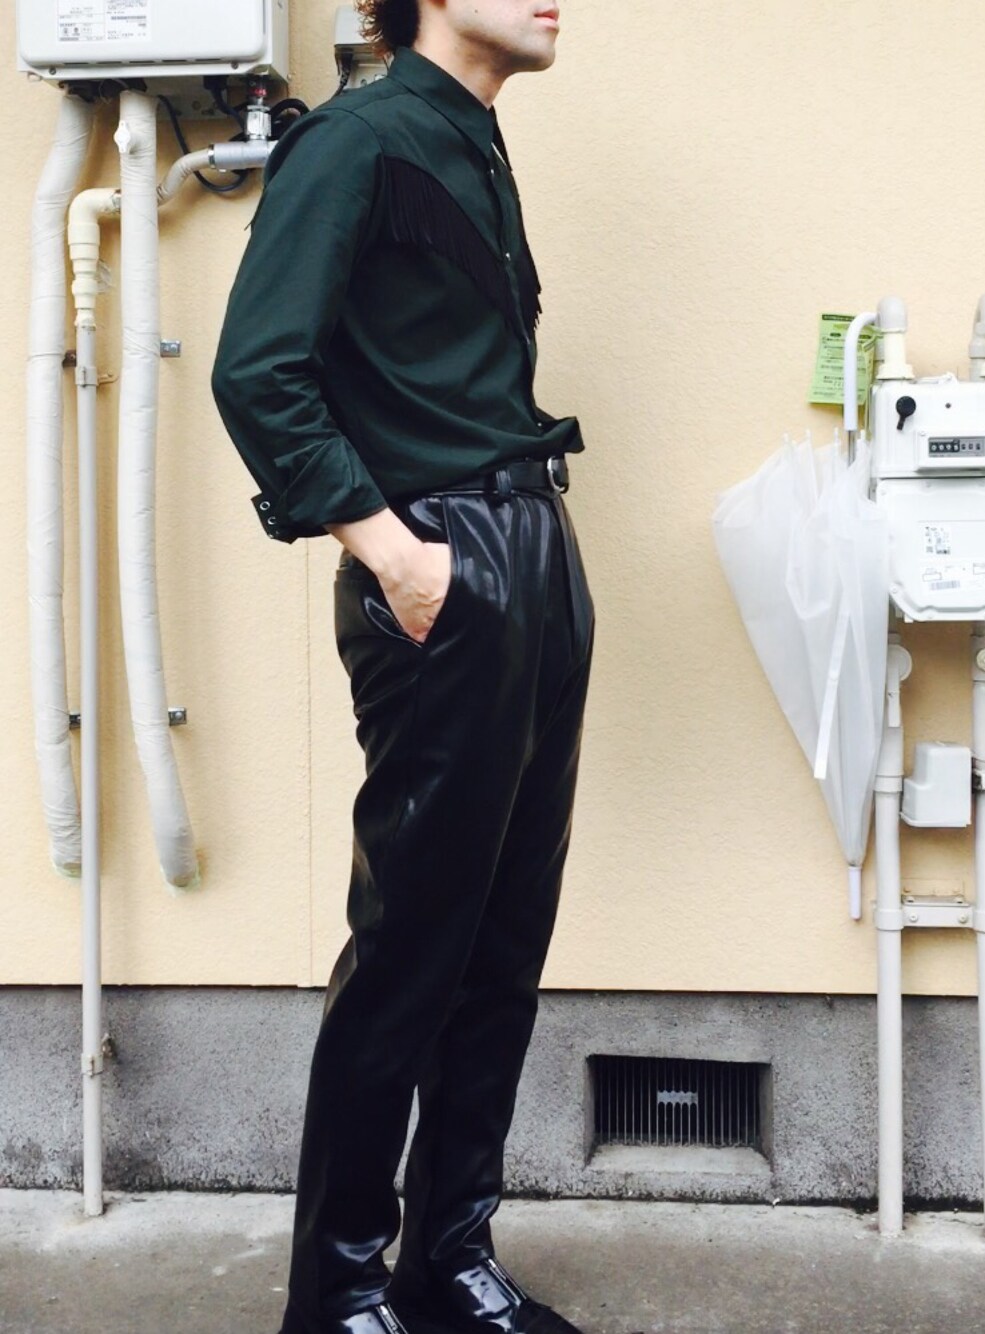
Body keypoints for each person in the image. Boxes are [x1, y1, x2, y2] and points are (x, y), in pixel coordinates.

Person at [211, 2, 595, 1332]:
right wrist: (394, 553)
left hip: (533, 548)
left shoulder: (472, 137)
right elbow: (258, 370)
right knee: (409, 950)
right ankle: (339, 1289)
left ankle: (449, 1257)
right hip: (443, 563)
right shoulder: (360, 139)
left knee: (503, 939)